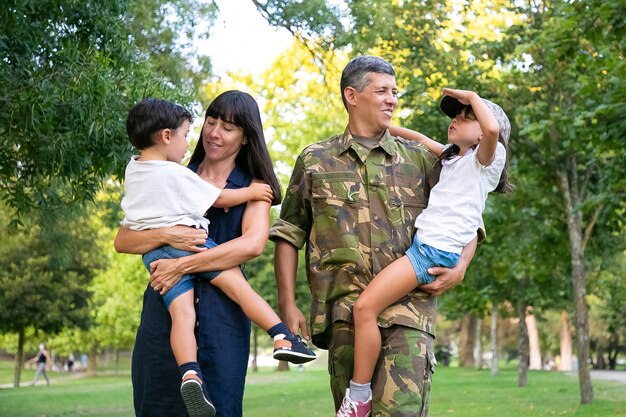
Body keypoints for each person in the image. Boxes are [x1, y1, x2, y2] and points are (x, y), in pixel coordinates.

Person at [270, 55, 479, 417]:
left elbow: (469, 215)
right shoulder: (315, 160)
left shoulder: (422, 161)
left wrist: (461, 265)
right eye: (382, 90)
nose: (392, 99)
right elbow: (290, 233)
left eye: (394, 92)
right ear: (352, 95)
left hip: (409, 313)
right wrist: (287, 304)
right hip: (344, 317)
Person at [120, 98, 315, 417]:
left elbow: (251, 246)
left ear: (246, 136)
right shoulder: (170, 174)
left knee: (220, 409)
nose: (214, 133)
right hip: (163, 316)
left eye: (227, 127)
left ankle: (282, 337)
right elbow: (124, 239)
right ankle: (278, 335)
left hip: (222, 320)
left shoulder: (255, 187)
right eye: (211, 122)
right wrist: (168, 236)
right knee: (155, 406)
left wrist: (180, 264)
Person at [337, 88, 512, 416]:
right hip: (426, 249)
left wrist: (473, 96)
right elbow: (418, 139)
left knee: (364, 309)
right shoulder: (454, 160)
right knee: (366, 310)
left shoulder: (485, 161)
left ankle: (359, 396)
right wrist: (381, 129)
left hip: (432, 253)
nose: (456, 120)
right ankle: (360, 394)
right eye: (455, 115)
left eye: (466, 116)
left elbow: (490, 131)